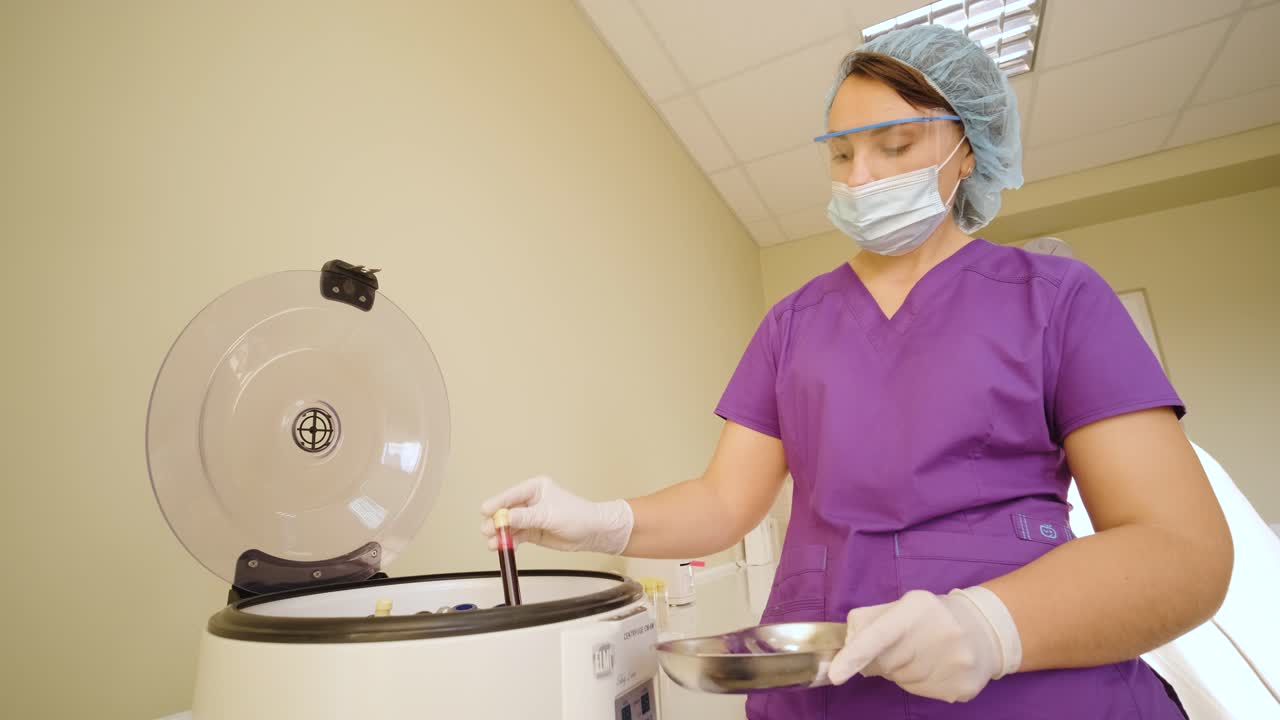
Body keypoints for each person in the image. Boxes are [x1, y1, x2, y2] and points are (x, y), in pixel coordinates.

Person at [480, 23, 1233, 719]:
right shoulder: (793, 323)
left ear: (966, 151)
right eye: (842, 154)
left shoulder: (1058, 300)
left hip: (1036, 687)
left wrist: (989, 625)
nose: (861, 176)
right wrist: (599, 521)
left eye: (896, 146)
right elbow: (722, 502)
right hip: (826, 694)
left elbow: (1180, 551)